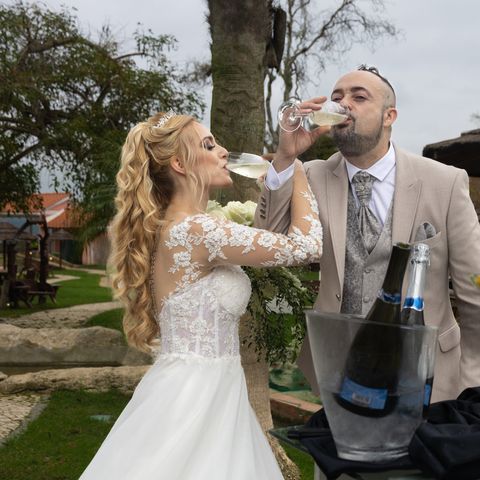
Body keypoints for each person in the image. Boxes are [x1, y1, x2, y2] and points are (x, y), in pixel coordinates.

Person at [79, 111, 322, 480]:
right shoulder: (200, 231)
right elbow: (307, 246)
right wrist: (298, 169)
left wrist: (283, 165)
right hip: (196, 395)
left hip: (208, 387)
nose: (224, 151)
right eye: (209, 144)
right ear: (179, 163)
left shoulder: (180, 227)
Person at [254, 66, 480, 403]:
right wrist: (285, 156)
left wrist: (476, 390)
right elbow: (266, 241)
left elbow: (479, 296)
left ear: (389, 116)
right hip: (336, 372)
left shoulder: (445, 182)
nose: (344, 104)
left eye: (359, 96)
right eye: (337, 97)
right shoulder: (309, 176)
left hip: (427, 374)